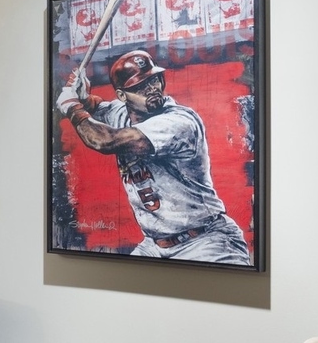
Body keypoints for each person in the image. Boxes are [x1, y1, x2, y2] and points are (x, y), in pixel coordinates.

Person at [56, 49, 250, 264]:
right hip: (154, 245)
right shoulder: (121, 112)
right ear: (122, 95)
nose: (151, 89)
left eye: (154, 80)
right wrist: (82, 97)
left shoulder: (179, 122)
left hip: (206, 241)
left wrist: (71, 105)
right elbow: (99, 108)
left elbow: (104, 140)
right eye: (140, 87)